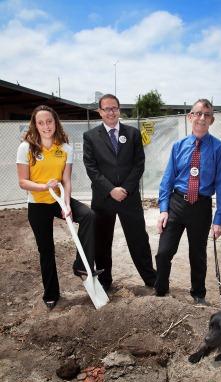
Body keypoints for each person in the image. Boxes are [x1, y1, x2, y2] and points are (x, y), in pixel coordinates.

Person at [16, 105, 97, 310]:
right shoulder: (26, 148)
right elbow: (23, 182)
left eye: (49, 121)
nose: (46, 126)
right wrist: (44, 186)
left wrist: (68, 204)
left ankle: (81, 265)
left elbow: (67, 180)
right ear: (35, 125)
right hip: (38, 204)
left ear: (55, 122)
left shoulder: (65, 148)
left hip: (59, 200)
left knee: (88, 215)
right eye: (41, 122)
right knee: (46, 250)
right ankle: (51, 293)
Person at [155, 98, 221, 303]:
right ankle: (160, 292)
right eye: (197, 113)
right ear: (190, 117)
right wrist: (163, 209)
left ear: (211, 120)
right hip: (177, 204)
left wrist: (219, 219)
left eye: (206, 115)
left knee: (197, 256)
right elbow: (167, 180)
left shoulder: (219, 149)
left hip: (201, 206)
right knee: (163, 252)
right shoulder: (178, 146)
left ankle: (198, 295)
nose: (201, 118)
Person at [83, 93, 156, 291]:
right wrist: (110, 190)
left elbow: (138, 164)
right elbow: (91, 168)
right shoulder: (90, 137)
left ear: (119, 109)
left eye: (114, 108)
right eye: (106, 108)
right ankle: (105, 282)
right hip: (103, 199)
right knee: (102, 242)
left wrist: (125, 189)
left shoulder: (132, 134)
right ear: (100, 112)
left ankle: (151, 279)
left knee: (139, 240)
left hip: (129, 197)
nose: (111, 112)